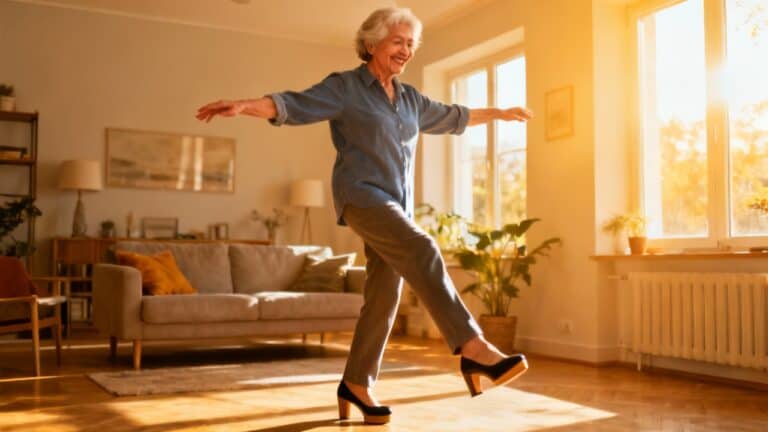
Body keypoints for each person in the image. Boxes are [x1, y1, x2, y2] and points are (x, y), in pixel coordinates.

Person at [196, 7, 533, 425]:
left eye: (411, 44)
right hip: (361, 197)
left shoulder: (410, 100)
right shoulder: (346, 88)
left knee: (384, 295)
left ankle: (355, 384)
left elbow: (454, 116)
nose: (406, 51)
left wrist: (499, 114)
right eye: (398, 41)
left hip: (395, 204)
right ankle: (473, 348)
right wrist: (245, 105)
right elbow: (294, 105)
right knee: (423, 246)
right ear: (372, 43)